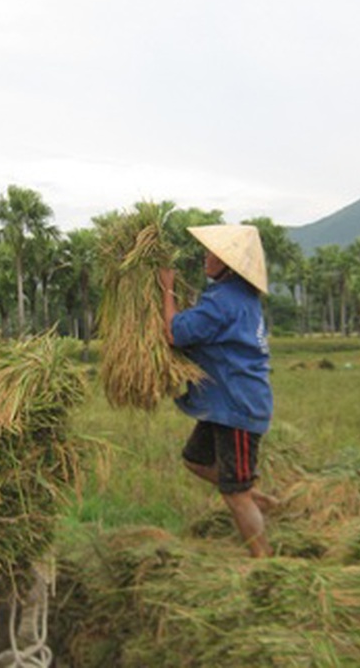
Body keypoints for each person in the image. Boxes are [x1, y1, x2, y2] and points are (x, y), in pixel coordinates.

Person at [159, 224, 274, 558]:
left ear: (228, 264)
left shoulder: (224, 301)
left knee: (233, 493)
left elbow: (175, 333)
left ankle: (264, 561)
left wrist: (167, 290)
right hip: (224, 404)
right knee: (195, 460)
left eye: (212, 253)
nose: (205, 257)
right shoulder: (236, 297)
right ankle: (258, 499)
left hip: (237, 407)